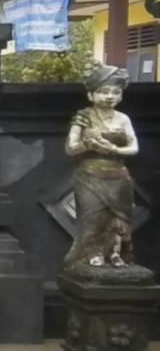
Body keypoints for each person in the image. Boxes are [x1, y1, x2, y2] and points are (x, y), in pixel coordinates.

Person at [64, 63, 138, 268]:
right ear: (91, 95)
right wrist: (89, 144)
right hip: (90, 174)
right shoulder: (83, 117)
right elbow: (70, 148)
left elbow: (134, 148)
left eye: (115, 92)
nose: (109, 96)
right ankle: (93, 252)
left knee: (119, 218)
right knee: (93, 217)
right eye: (104, 91)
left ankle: (115, 253)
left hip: (118, 175)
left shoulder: (123, 119)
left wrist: (113, 148)